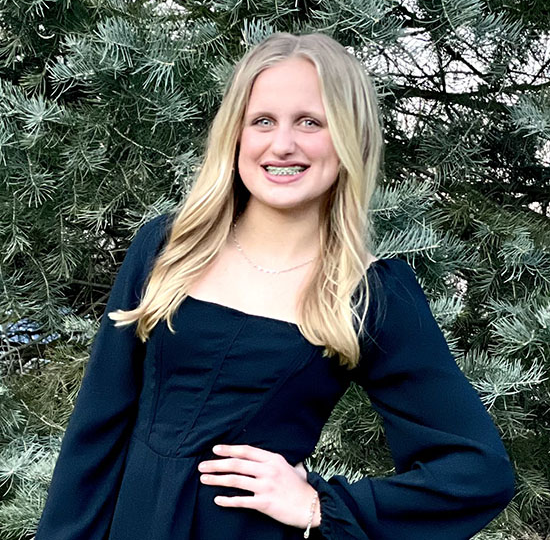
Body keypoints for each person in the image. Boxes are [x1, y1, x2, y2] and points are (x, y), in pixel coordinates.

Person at [35, 32, 516, 540]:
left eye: (310, 122)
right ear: (236, 135)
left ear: (350, 137)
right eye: (262, 121)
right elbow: (96, 433)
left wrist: (319, 504)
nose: (282, 144)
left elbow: (477, 472)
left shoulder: (369, 293)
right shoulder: (168, 248)